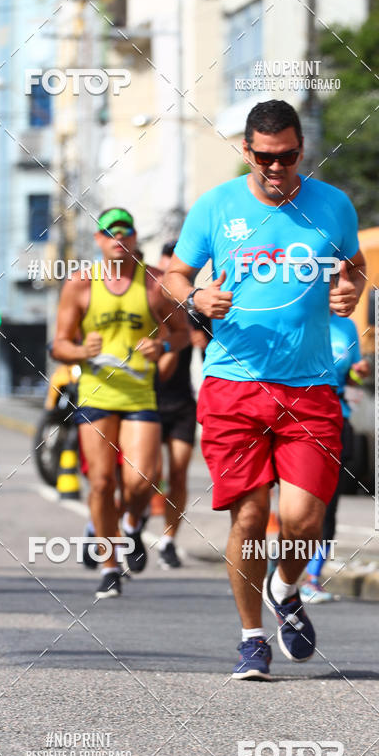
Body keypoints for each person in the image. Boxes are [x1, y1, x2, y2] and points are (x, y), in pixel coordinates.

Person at [163, 100, 366, 680]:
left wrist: (351, 290)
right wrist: (195, 298)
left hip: (310, 388)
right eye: (265, 158)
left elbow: (354, 265)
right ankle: (252, 638)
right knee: (250, 519)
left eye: (288, 157)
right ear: (246, 151)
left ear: (301, 150)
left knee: (303, 520)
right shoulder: (216, 205)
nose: (277, 169)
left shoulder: (333, 204)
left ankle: (286, 586)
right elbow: (174, 276)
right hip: (234, 385)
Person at [52, 207, 189, 599]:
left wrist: (161, 344)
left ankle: (131, 523)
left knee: (141, 480)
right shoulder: (80, 284)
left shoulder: (154, 284)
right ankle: (110, 565)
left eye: (125, 233)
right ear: (98, 240)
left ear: (134, 239)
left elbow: (183, 334)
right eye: (109, 233)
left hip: (139, 394)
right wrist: (80, 350)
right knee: (100, 481)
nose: (118, 239)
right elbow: (58, 345)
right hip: (95, 394)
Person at [300, 313, 370, 603]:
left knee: (328, 506)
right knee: (300, 505)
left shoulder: (347, 326)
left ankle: (313, 578)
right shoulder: (298, 312)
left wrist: (358, 373)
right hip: (300, 419)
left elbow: (350, 377)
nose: (341, 289)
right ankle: (283, 569)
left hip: (338, 420)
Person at [154, 240, 211, 569]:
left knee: (178, 474)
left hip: (181, 403)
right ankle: (120, 529)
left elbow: (211, 359)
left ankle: (169, 541)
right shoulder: (143, 304)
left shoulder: (195, 311)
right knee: (142, 476)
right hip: (142, 402)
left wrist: (200, 341)